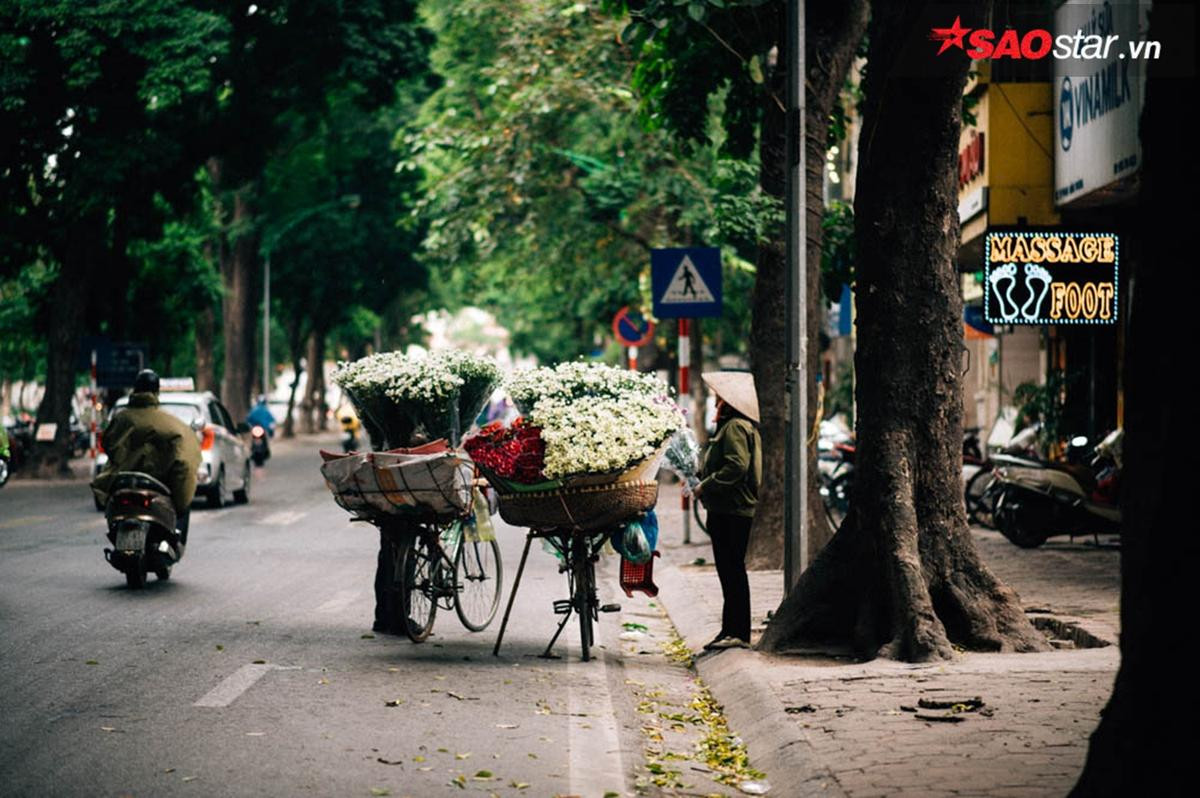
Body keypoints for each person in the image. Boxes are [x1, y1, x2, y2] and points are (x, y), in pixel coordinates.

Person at [91, 370, 202, 543]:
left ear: (135, 389)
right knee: (184, 504)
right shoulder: (172, 425)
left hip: (121, 481)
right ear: (157, 391)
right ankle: (176, 539)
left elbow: (108, 444)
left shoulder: (121, 419)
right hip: (157, 483)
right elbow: (185, 460)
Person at [694, 371, 761, 650]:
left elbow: (736, 466)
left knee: (732, 569)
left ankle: (738, 632)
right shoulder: (734, 426)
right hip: (728, 508)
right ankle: (729, 629)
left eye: (719, 397)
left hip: (732, 510)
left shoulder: (734, 427)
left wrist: (706, 485)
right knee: (728, 570)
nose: (716, 401)